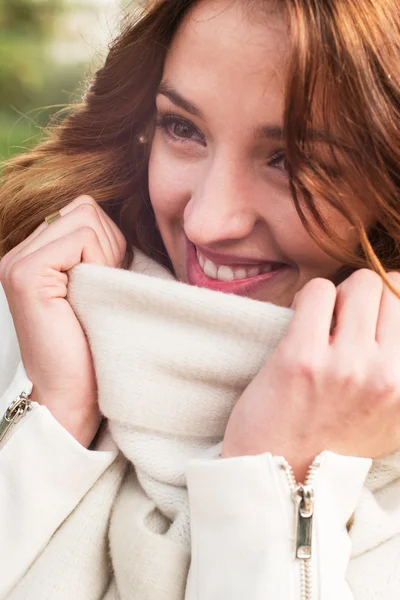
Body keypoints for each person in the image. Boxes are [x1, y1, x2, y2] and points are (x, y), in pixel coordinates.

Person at [1, 0, 400, 598]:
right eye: (183, 128)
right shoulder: (39, 314)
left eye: (293, 159)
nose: (207, 222)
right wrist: (52, 418)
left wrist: (280, 475)